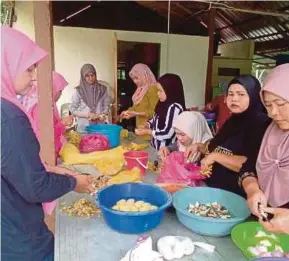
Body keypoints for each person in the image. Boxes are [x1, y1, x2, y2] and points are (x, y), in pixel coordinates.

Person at [1, 27, 95, 261]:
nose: (34, 77)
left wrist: (50, 170)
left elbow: (13, 167)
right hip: (18, 236)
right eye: (29, 67)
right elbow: (35, 187)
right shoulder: (9, 117)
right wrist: (73, 182)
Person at [185, 75, 271, 197]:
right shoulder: (232, 120)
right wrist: (199, 146)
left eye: (241, 94)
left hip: (235, 197)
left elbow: (253, 164)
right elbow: (216, 147)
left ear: (253, 96)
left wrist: (215, 156)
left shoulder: (262, 124)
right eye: (230, 94)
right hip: (212, 189)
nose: (234, 99)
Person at [240, 64, 289, 234]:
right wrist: (252, 189)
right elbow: (248, 167)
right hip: (264, 231)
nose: (273, 113)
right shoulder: (267, 129)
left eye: (281, 103)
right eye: (268, 105)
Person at [22, 72, 73, 157]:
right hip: (42, 153)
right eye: (59, 90)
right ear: (52, 88)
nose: (60, 94)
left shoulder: (38, 101)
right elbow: (44, 133)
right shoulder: (40, 106)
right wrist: (63, 123)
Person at [135, 73, 186, 150]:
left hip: (167, 152)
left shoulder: (175, 108)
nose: (158, 94)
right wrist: (147, 124)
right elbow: (156, 119)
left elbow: (168, 133)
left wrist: (149, 132)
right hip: (156, 147)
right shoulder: (162, 104)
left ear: (170, 90)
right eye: (157, 91)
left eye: (160, 91)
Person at [120, 63, 159, 140]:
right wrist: (128, 112)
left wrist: (136, 113)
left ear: (144, 75)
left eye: (137, 78)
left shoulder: (153, 89)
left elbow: (155, 113)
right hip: (140, 131)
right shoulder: (140, 90)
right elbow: (137, 107)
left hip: (150, 133)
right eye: (133, 79)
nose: (135, 81)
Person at [70, 64, 110, 132]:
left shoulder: (103, 89)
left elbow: (106, 105)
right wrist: (88, 114)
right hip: (84, 127)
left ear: (95, 75)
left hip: (100, 126)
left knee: (100, 142)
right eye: (87, 76)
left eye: (92, 75)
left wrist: (103, 114)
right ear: (83, 77)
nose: (91, 78)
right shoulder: (78, 91)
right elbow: (73, 110)